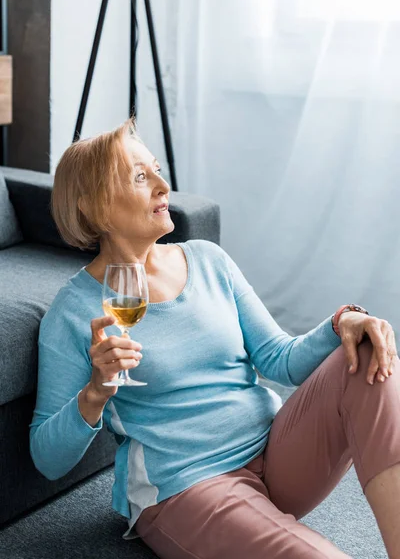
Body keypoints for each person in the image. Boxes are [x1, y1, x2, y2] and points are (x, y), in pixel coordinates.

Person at [30, 118, 400, 559]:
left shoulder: (208, 260)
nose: (163, 186)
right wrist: (95, 394)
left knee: (364, 351)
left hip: (276, 455)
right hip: (185, 486)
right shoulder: (73, 311)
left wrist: (342, 323)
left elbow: (279, 359)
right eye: (140, 176)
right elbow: (47, 460)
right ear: (92, 207)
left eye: (157, 169)